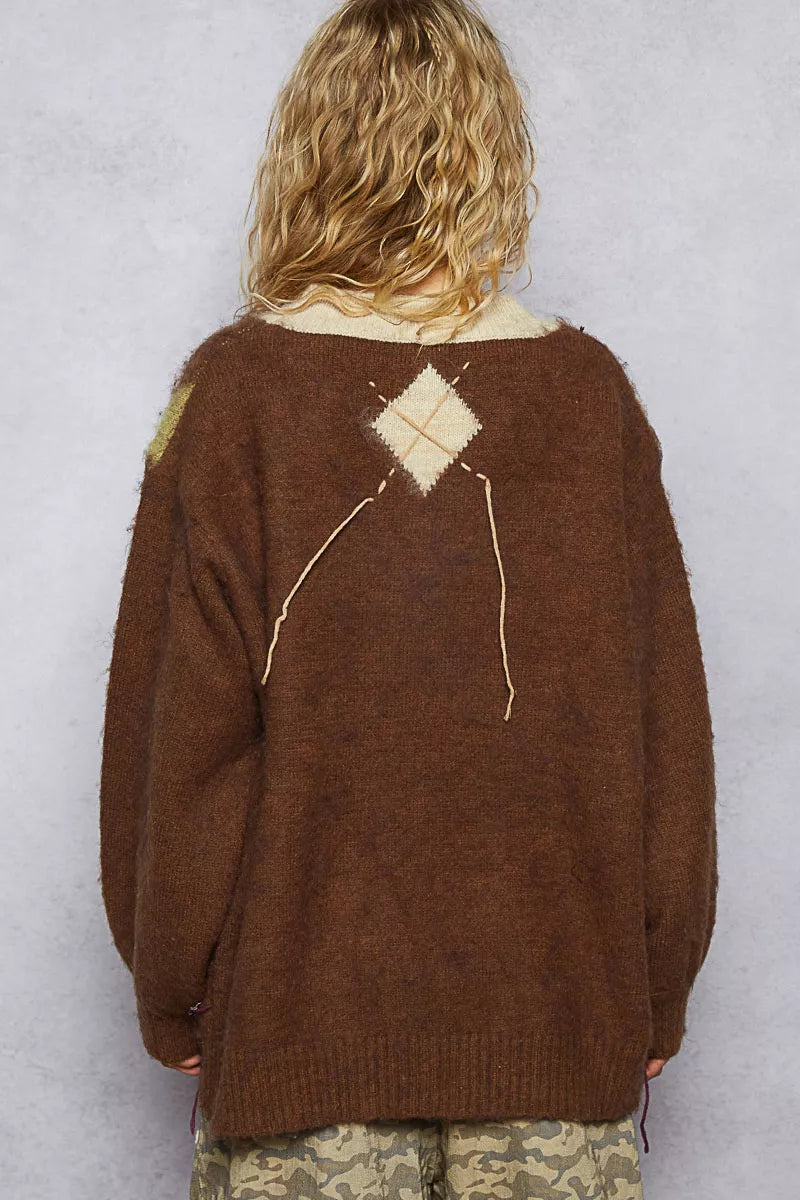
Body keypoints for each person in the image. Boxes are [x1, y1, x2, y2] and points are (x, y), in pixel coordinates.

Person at [98, 1, 718, 1197]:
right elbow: (665, 731)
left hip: (298, 1040)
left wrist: (168, 975)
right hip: (560, 1022)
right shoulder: (587, 396)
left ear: (309, 150)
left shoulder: (234, 397)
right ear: (493, 153)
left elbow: (175, 734)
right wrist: (657, 977)